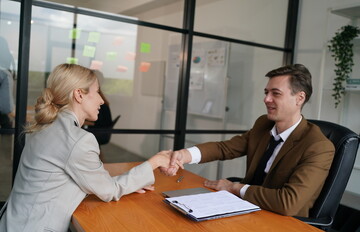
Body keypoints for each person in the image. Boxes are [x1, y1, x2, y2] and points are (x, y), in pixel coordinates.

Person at [0, 63, 172, 232]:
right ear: (79, 95)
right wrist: (154, 162)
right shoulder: (78, 140)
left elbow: (75, 179)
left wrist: (130, 184)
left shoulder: (44, 125)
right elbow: (109, 190)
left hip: (13, 222)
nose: (102, 100)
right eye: (97, 92)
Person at [162, 64, 335, 217]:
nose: (266, 99)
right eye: (266, 92)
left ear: (300, 98)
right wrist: (184, 155)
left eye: (276, 93)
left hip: (282, 220)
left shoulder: (318, 146)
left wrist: (235, 188)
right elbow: (225, 148)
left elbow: (288, 203)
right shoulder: (264, 124)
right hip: (247, 208)